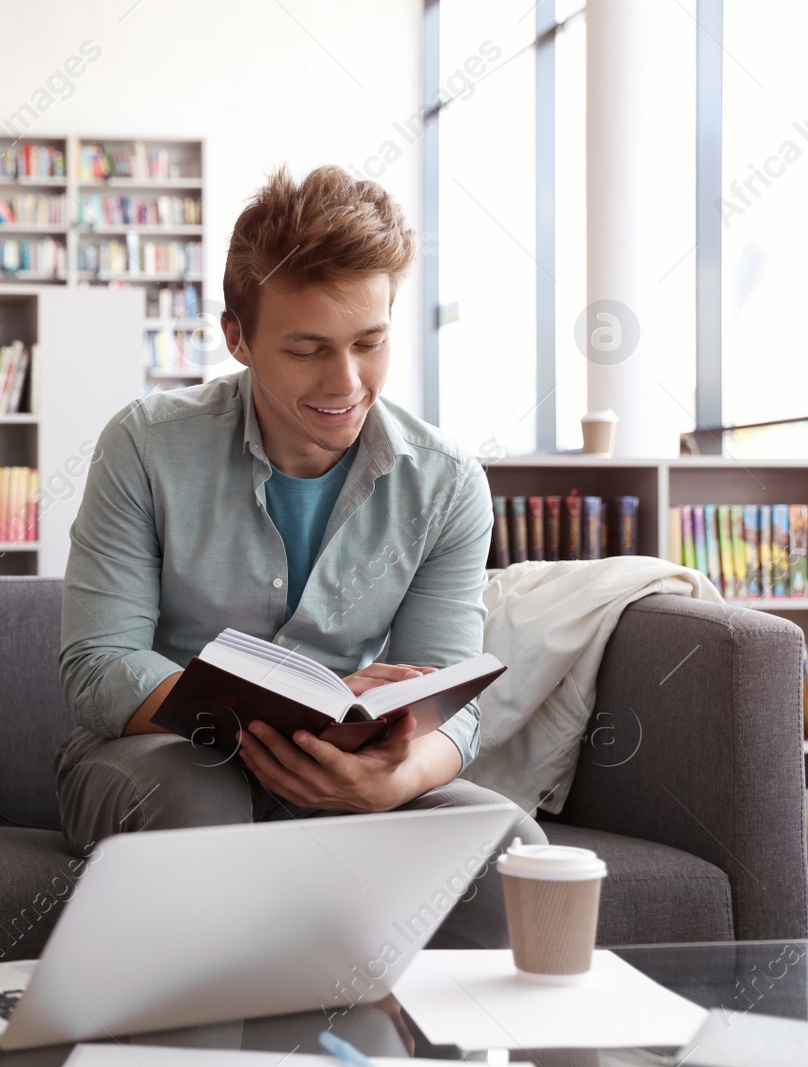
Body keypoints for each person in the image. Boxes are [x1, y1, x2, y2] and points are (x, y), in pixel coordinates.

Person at [55, 165, 545, 950]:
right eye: (309, 348)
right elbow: (98, 666)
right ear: (238, 338)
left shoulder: (447, 482)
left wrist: (394, 778)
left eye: (369, 343)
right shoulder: (145, 444)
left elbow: (455, 702)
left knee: (508, 844)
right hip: (162, 760)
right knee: (203, 797)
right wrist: (262, 715)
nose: (346, 382)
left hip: (340, 774)